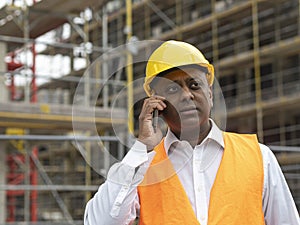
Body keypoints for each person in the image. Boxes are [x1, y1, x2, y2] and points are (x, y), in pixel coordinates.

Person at [84, 40, 300, 225]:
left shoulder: (259, 157)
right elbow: (101, 221)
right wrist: (141, 149)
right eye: (172, 89)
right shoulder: (141, 167)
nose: (186, 95)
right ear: (156, 103)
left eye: (194, 84)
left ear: (210, 94)